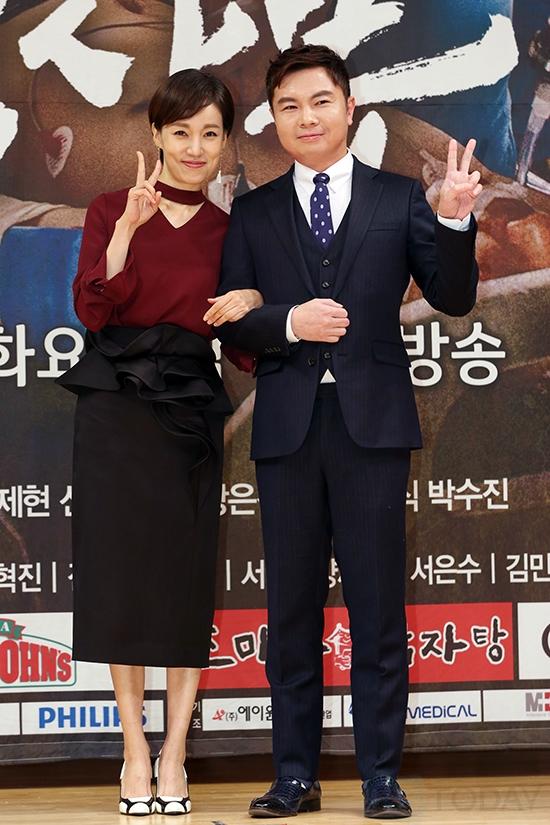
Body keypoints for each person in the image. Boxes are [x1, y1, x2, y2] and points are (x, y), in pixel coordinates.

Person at [209, 45, 481, 819]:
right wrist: (288, 321)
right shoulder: (253, 212)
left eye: (320, 101)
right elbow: (232, 320)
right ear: (274, 118)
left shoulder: (399, 197)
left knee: (377, 608)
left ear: (348, 107)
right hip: (287, 429)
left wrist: (453, 218)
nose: (306, 117)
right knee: (291, 611)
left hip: (373, 429)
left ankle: (380, 776)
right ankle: (293, 773)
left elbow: (453, 296)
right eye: (289, 106)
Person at [57, 69, 260, 817]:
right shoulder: (111, 208)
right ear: (156, 135)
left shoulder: (232, 230)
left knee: (182, 579)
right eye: (181, 132)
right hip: (115, 406)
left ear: (226, 140)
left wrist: (253, 302)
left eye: (210, 133)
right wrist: (127, 232)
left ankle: (174, 753)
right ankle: (134, 751)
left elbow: (245, 351)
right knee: (121, 576)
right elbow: (93, 310)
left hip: (190, 410)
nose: (195, 147)